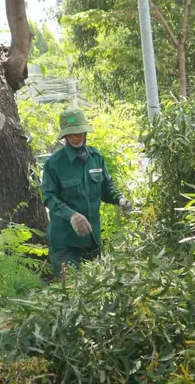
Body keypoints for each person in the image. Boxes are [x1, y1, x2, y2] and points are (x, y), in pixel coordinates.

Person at [40, 108, 132, 277]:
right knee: (69, 290)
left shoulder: (96, 157)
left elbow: (106, 188)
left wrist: (120, 199)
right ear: (65, 136)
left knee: (96, 290)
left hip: (92, 240)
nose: (76, 137)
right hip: (66, 243)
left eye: (79, 133)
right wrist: (72, 216)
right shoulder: (54, 164)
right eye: (71, 134)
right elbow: (49, 197)